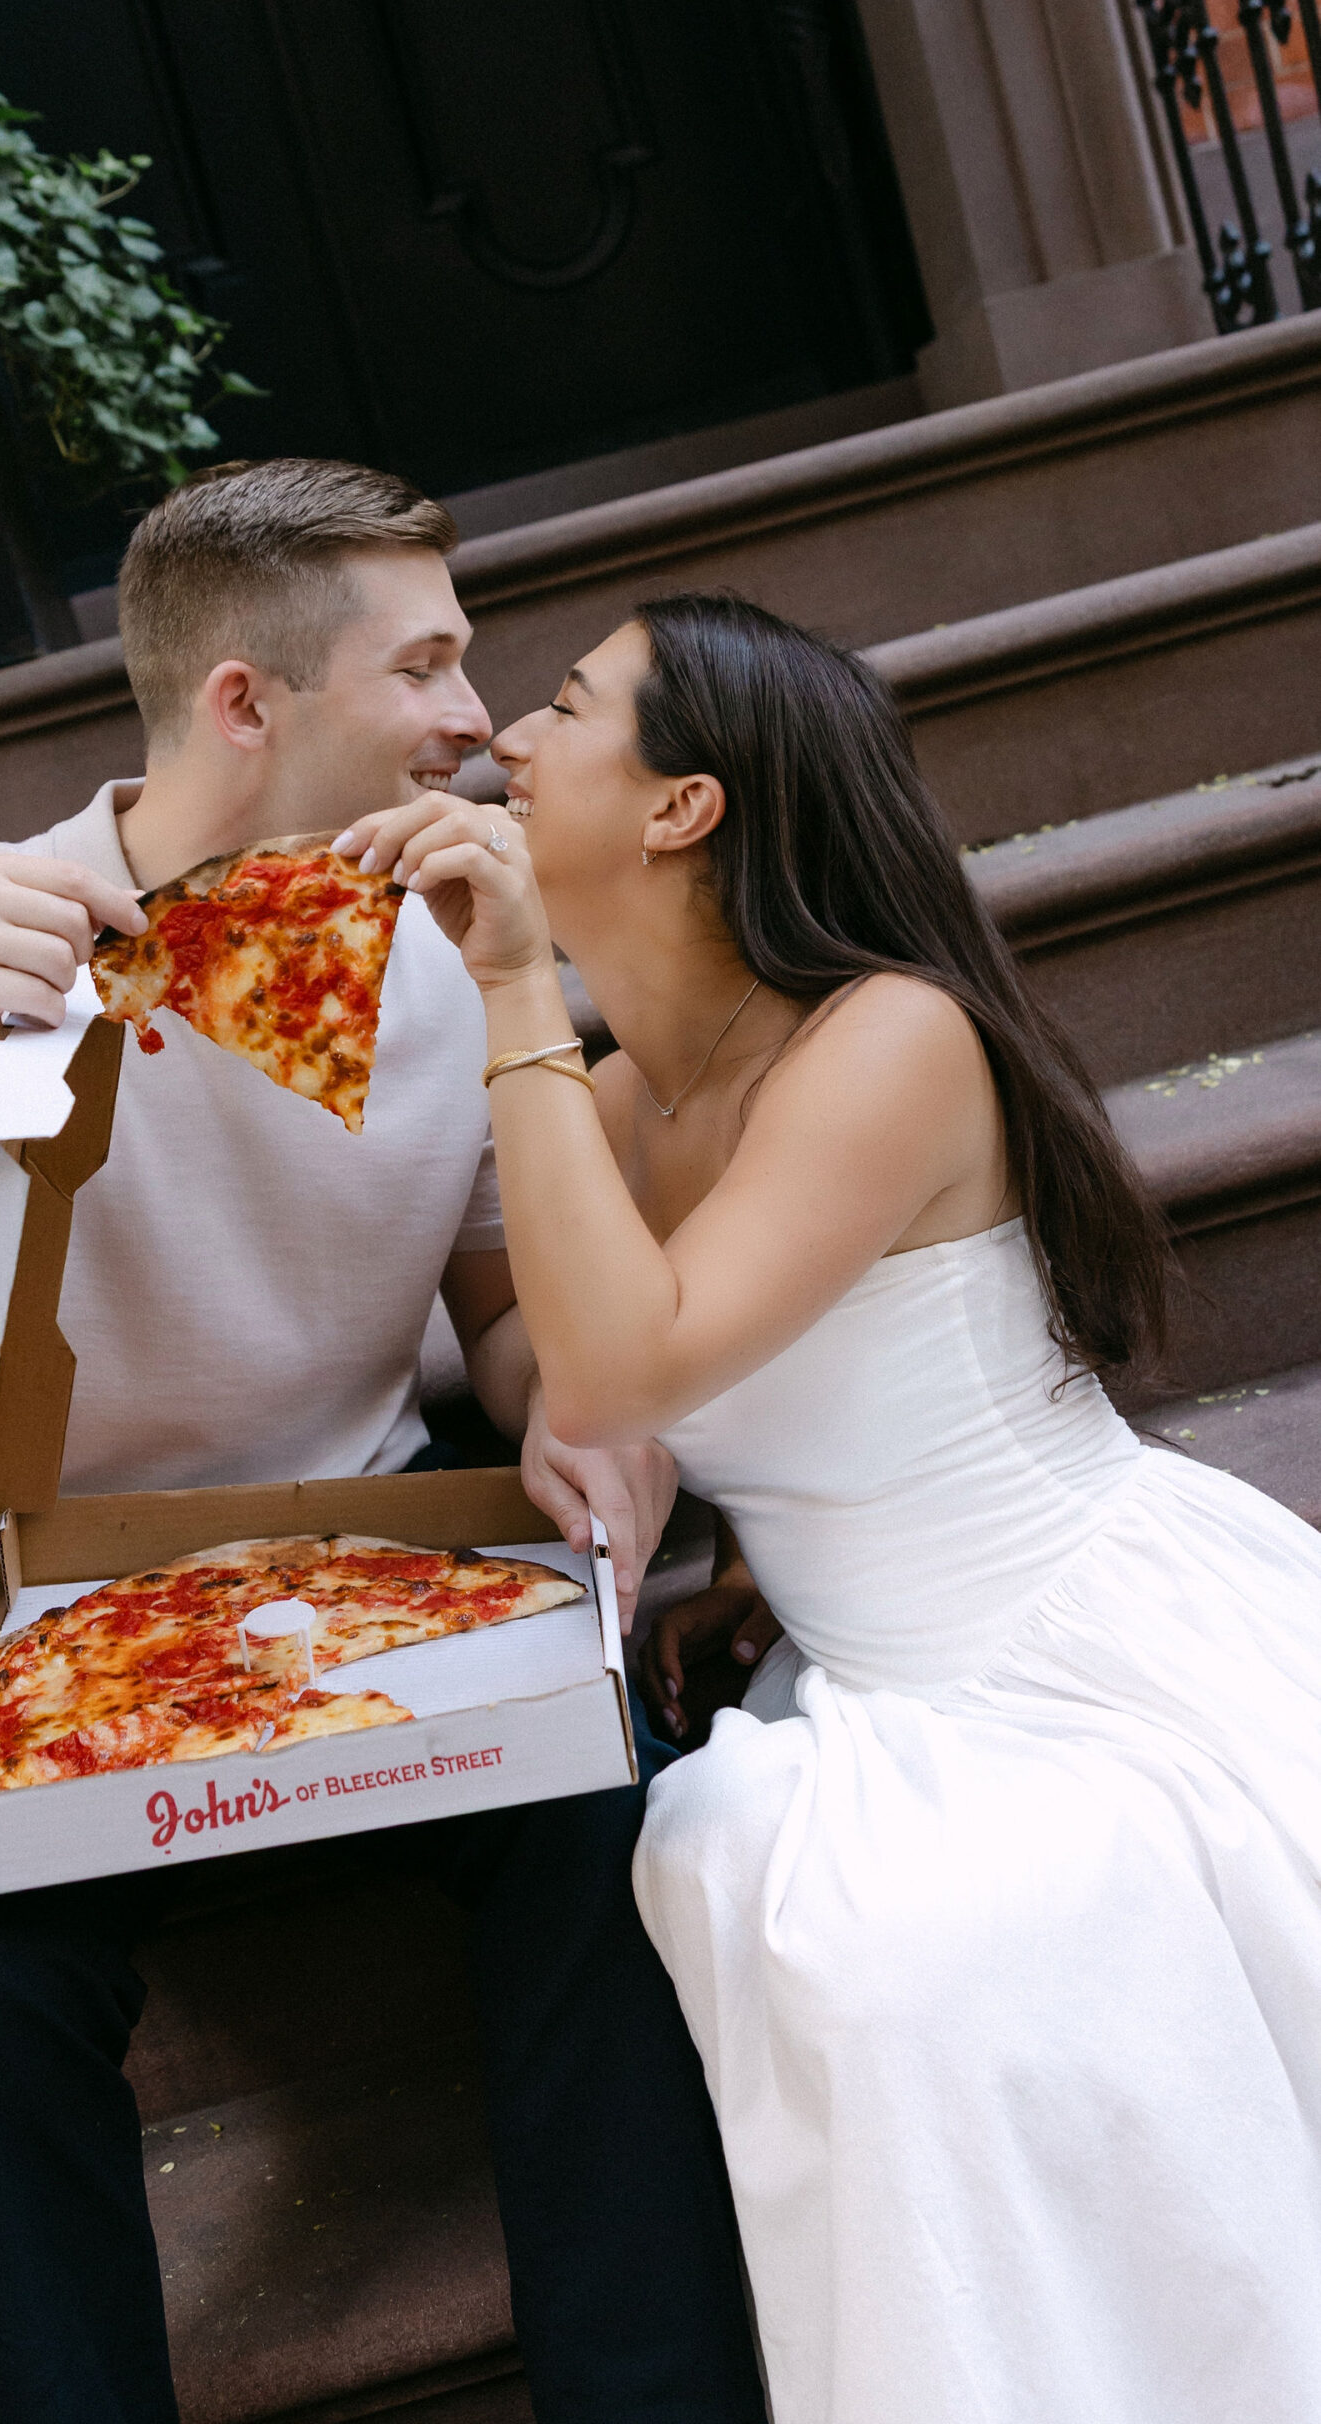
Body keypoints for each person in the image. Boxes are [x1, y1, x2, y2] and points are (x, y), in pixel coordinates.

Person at [0, 468, 764, 2424]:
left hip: (368, 1563)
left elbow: (496, 1304)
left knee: (628, 1831)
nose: (473, 708)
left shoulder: (447, 939)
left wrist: (597, 1430)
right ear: (245, 704)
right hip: (50, 1610)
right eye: (427, 661)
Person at [343, 589, 1321, 2424]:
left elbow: (638, 1360)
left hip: (1082, 1657)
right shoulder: (623, 1098)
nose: (506, 742)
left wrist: (503, 991)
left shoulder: (886, 1039)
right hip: (870, 1678)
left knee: (899, 1964)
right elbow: (578, 1376)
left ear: (682, 808)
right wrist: (719, 1540)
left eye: (564, 707)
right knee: (797, 1916)